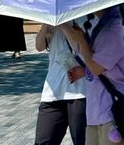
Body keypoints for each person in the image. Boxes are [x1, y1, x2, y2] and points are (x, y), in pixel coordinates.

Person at [60, 6, 124, 145]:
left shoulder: (112, 30)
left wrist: (81, 40)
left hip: (112, 112)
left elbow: (95, 68)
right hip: (97, 111)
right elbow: (87, 55)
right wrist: (63, 25)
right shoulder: (103, 27)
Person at [34, 17, 90, 145]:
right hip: (52, 91)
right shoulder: (51, 23)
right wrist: (45, 25)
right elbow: (39, 46)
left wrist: (63, 24)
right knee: (43, 141)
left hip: (80, 92)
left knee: (82, 140)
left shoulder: (82, 18)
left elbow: (78, 47)